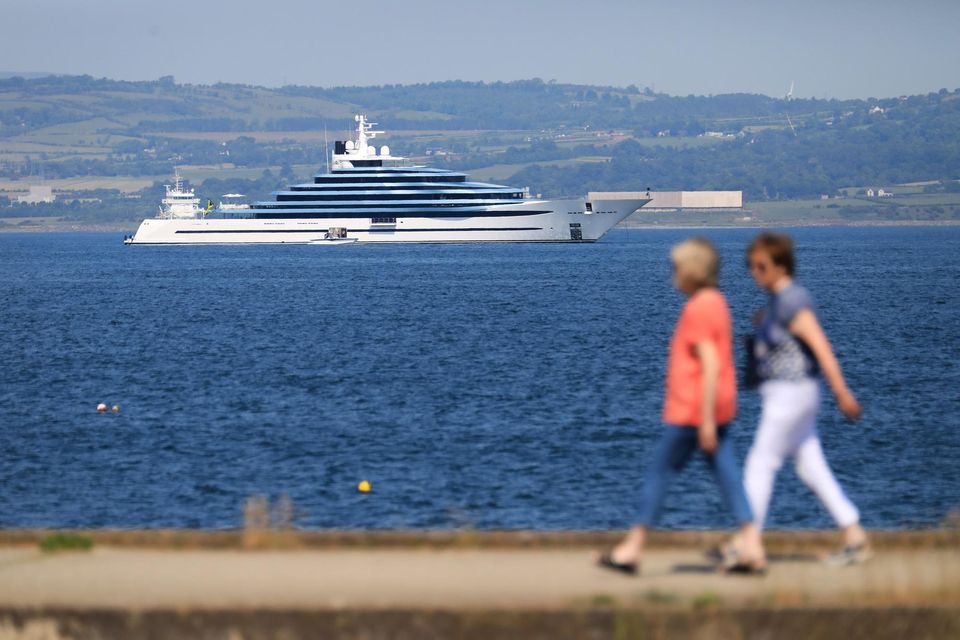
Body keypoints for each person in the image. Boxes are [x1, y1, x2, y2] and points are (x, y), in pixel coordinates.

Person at [597, 237, 766, 576]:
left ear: (691, 271)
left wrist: (703, 420)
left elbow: (710, 364)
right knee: (728, 476)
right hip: (718, 407)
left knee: (660, 473)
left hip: (692, 412)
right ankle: (753, 548)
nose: (672, 274)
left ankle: (631, 549)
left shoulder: (697, 308)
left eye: (676, 267)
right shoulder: (717, 301)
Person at [743, 232, 870, 565]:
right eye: (750, 266)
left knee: (760, 464)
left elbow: (821, 346)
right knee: (810, 466)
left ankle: (749, 544)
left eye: (760, 265)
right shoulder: (776, 303)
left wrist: (842, 392)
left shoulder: (791, 301)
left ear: (781, 266)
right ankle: (853, 534)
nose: (754, 272)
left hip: (790, 394)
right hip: (790, 394)